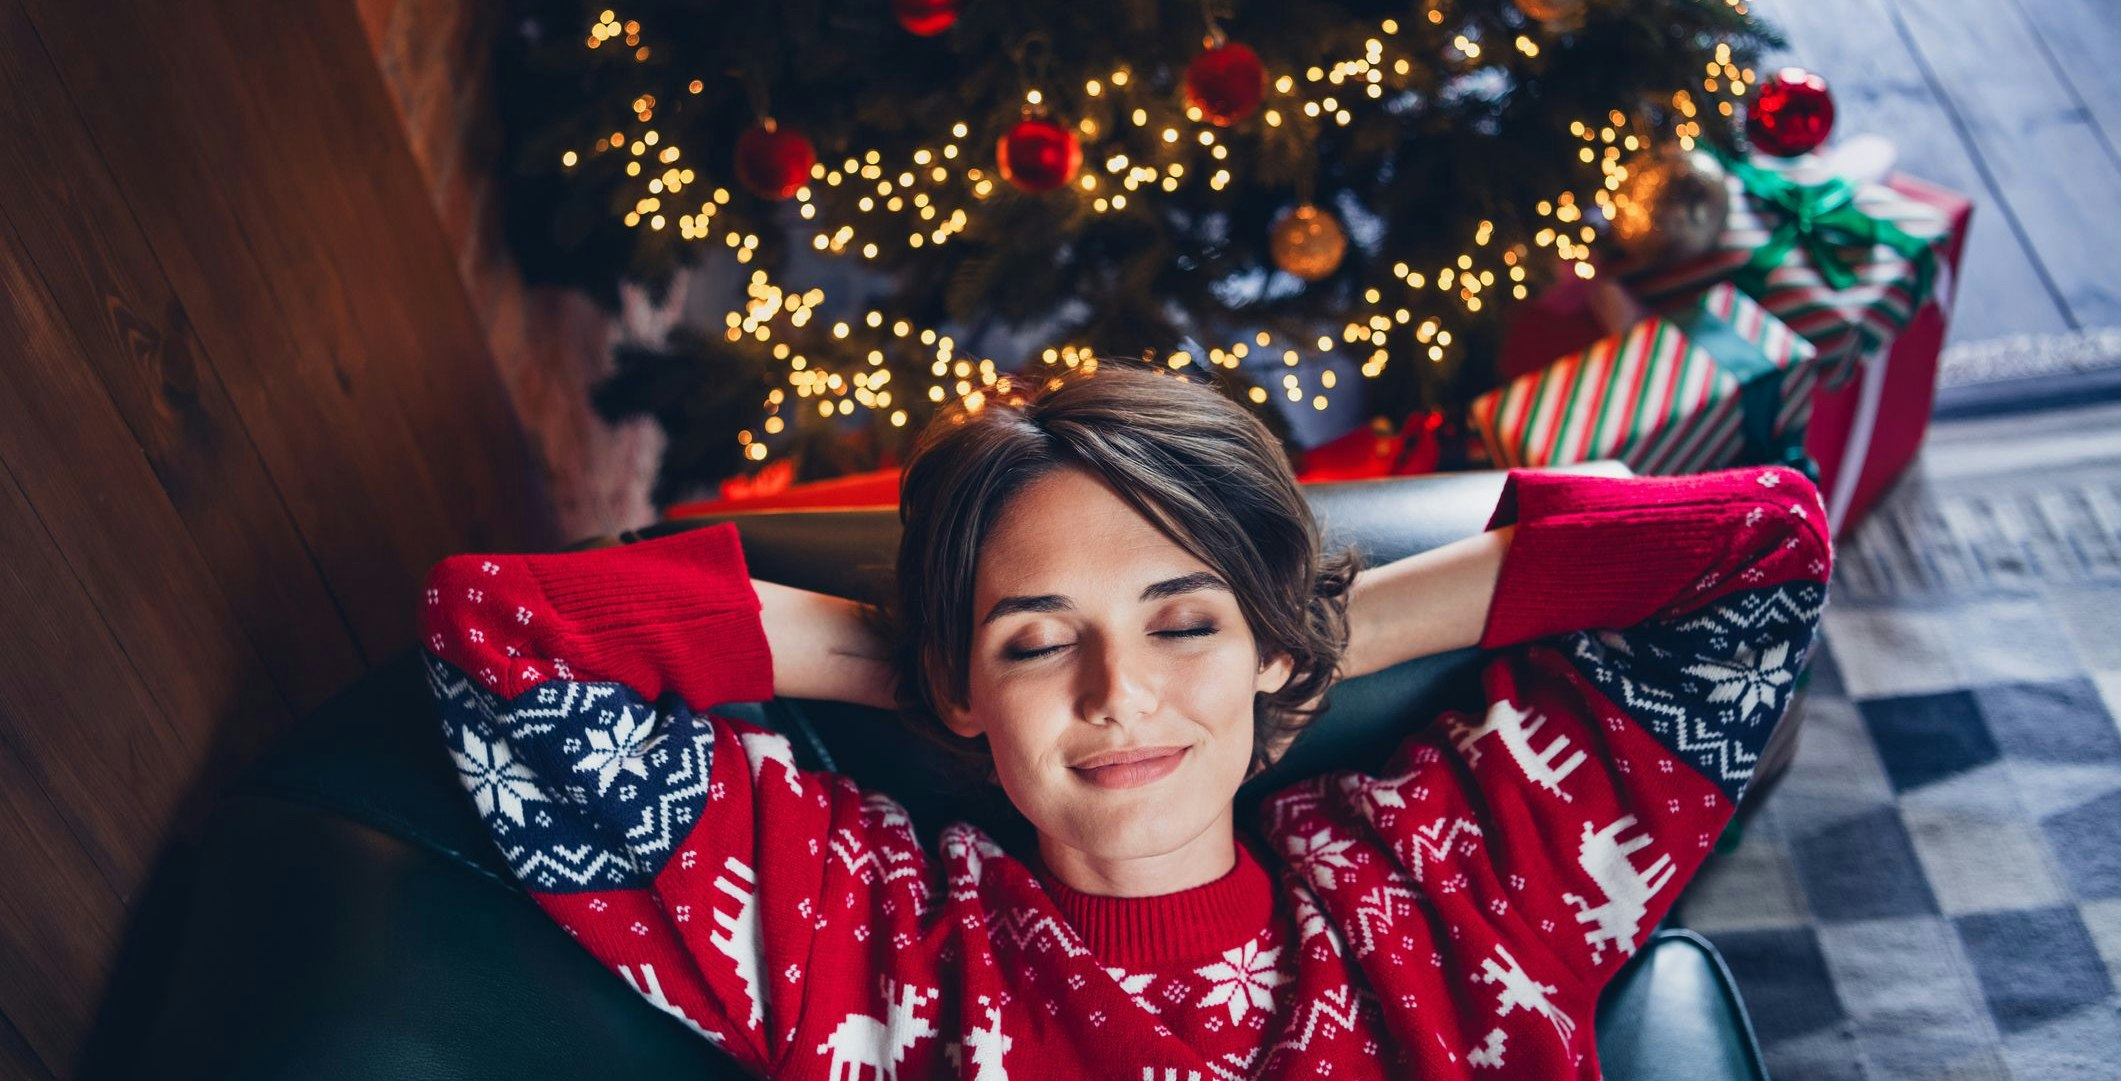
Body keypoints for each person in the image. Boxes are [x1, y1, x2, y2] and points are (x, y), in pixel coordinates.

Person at [417, 357, 1833, 1079]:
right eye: (1043, 643)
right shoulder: (865, 933)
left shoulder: (1453, 876)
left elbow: (1758, 542)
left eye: (1179, 619)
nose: (1117, 696)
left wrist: (1305, 634)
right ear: (961, 683)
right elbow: (503, 635)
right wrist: (926, 663)